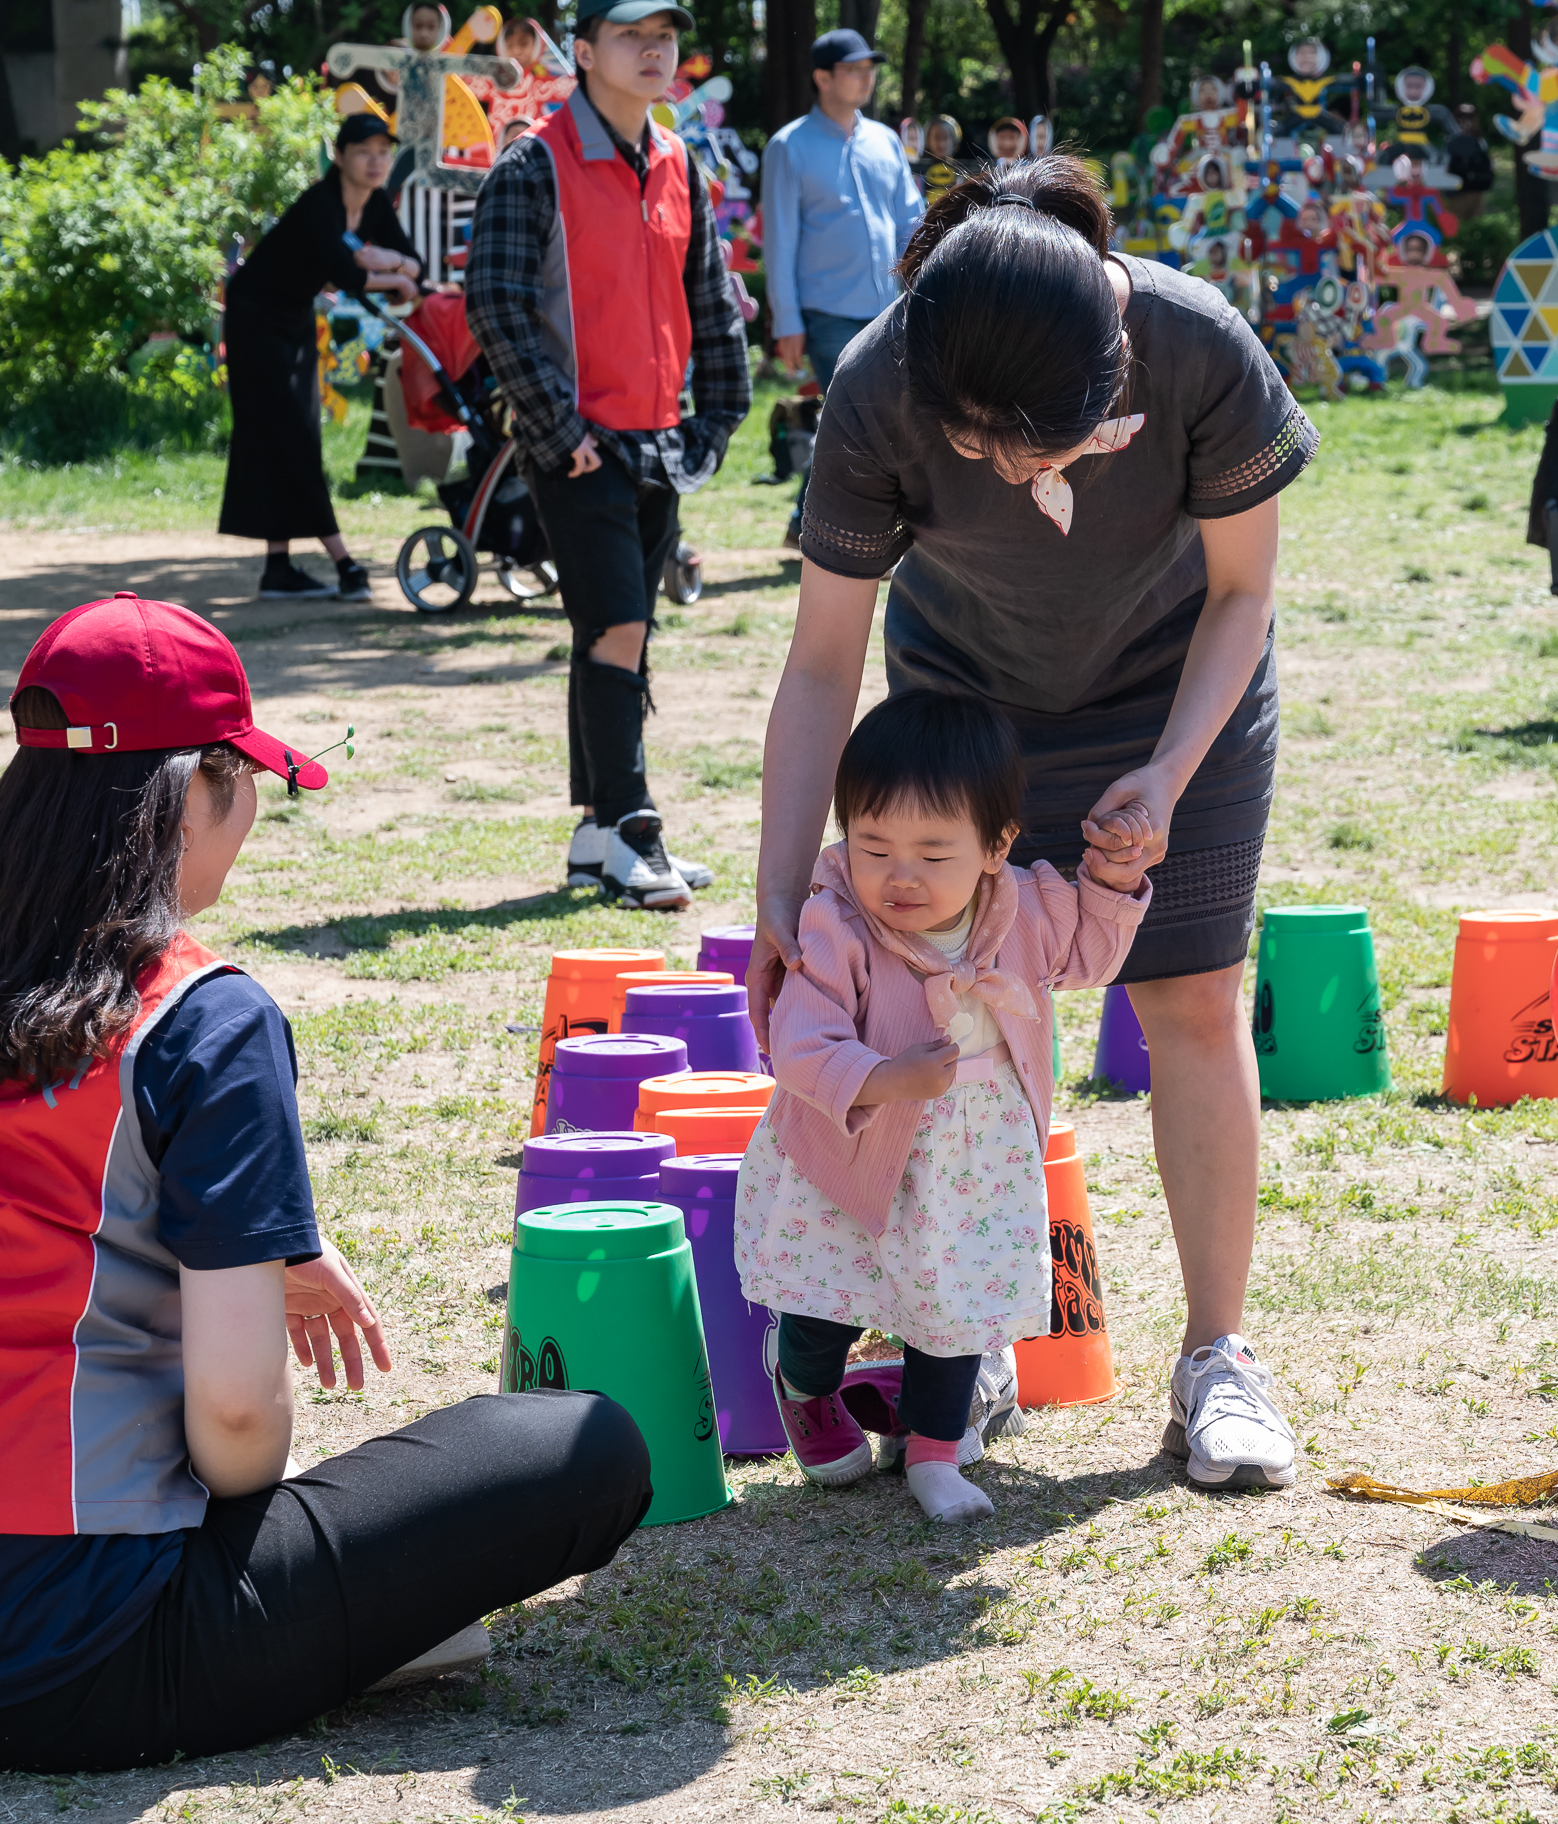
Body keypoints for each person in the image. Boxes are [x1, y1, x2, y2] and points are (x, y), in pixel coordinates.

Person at [0, 594, 652, 1773]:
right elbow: (240, 1429)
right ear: (197, 786)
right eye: (243, 779)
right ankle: (356, 1638)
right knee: (583, 1447)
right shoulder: (202, 1015)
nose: (247, 811)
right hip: (85, 1656)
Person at [754, 156, 1318, 1493]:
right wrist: (782, 899)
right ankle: (965, 1336)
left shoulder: (1195, 347)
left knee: (1188, 1001)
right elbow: (825, 659)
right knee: (939, 1033)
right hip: (964, 720)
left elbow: (1244, 593)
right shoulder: (881, 384)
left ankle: (1217, 1359)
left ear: (1113, 363)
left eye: (1033, 448)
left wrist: (1170, 776)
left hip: (1177, 694)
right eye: (973, 450)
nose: (1002, 473)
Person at [743, 691, 1151, 1523]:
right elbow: (800, 1045)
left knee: (958, 1300)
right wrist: (888, 1078)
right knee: (828, 1290)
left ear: (996, 846)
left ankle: (933, 1451)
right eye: (874, 847)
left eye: (933, 854)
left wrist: (1112, 878)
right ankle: (805, 1382)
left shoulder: (1028, 908)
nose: (900, 877)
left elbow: (1090, 956)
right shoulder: (834, 924)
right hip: (853, 1145)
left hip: (976, 1151)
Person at [465, 0, 749, 909]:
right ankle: (633, 825)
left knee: (615, 631)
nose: (654, 48)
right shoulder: (533, 160)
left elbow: (711, 300)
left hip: (660, 444)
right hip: (578, 449)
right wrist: (562, 432)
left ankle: (595, 834)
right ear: (583, 54)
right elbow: (496, 305)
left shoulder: (678, 162)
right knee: (622, 625)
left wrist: (719, 418)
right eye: (631, 35)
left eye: (664, 34)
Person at [220, 114, 422, 602]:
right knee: (287, 432)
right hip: (253, 317)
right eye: (363, 151)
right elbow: (346, 274)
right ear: (340, 156)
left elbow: (413, 258)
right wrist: (396, 276)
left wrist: (393, 265)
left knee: (295, 430)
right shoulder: (320, 204)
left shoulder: (374, 204)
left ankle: (278, 569)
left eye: (382, 151)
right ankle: (345, 565)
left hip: (292, 317)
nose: (375, 161)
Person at [761, 27, 924, 551]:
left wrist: (926, 283)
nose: (865, 78)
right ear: (822, 78)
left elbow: (910, 219)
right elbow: (779, 240)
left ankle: (805, 521)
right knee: (863, 414)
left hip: (890, 304)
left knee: (866, 417)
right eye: (853, 69)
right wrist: (786, 321)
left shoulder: (885, 140)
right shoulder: (788, 147)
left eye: (868, 69)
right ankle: (847, 530)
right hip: (826, 310)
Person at [1446, 102, 1495, 221]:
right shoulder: (1450, 141)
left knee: (1475, 225)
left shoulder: (1480, 141)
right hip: (1456, 192)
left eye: (1469, 119)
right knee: (1455, 225)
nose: (1465, 122)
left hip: (1476, 190)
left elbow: (1486, 165)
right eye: (1460, 119)